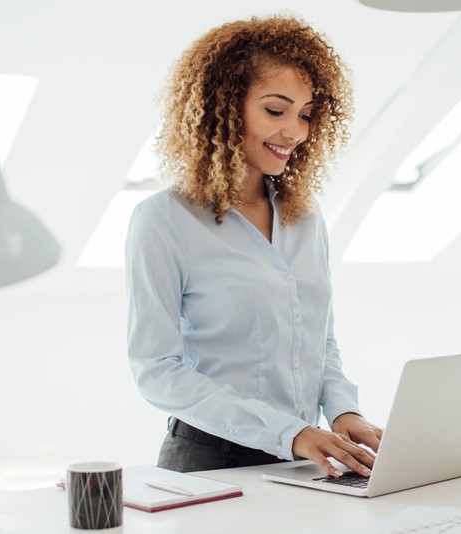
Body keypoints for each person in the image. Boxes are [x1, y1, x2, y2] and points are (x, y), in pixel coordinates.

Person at [125, 15, 382, 478]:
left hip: (307, 456)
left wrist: (344, 412)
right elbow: (157, 369)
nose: (295, 132)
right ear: (222, 107)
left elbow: (319, 341)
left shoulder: (305, 216)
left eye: (305, 114)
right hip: (209, 461)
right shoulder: (163, 220)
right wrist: (289, 432)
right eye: (275, 110)